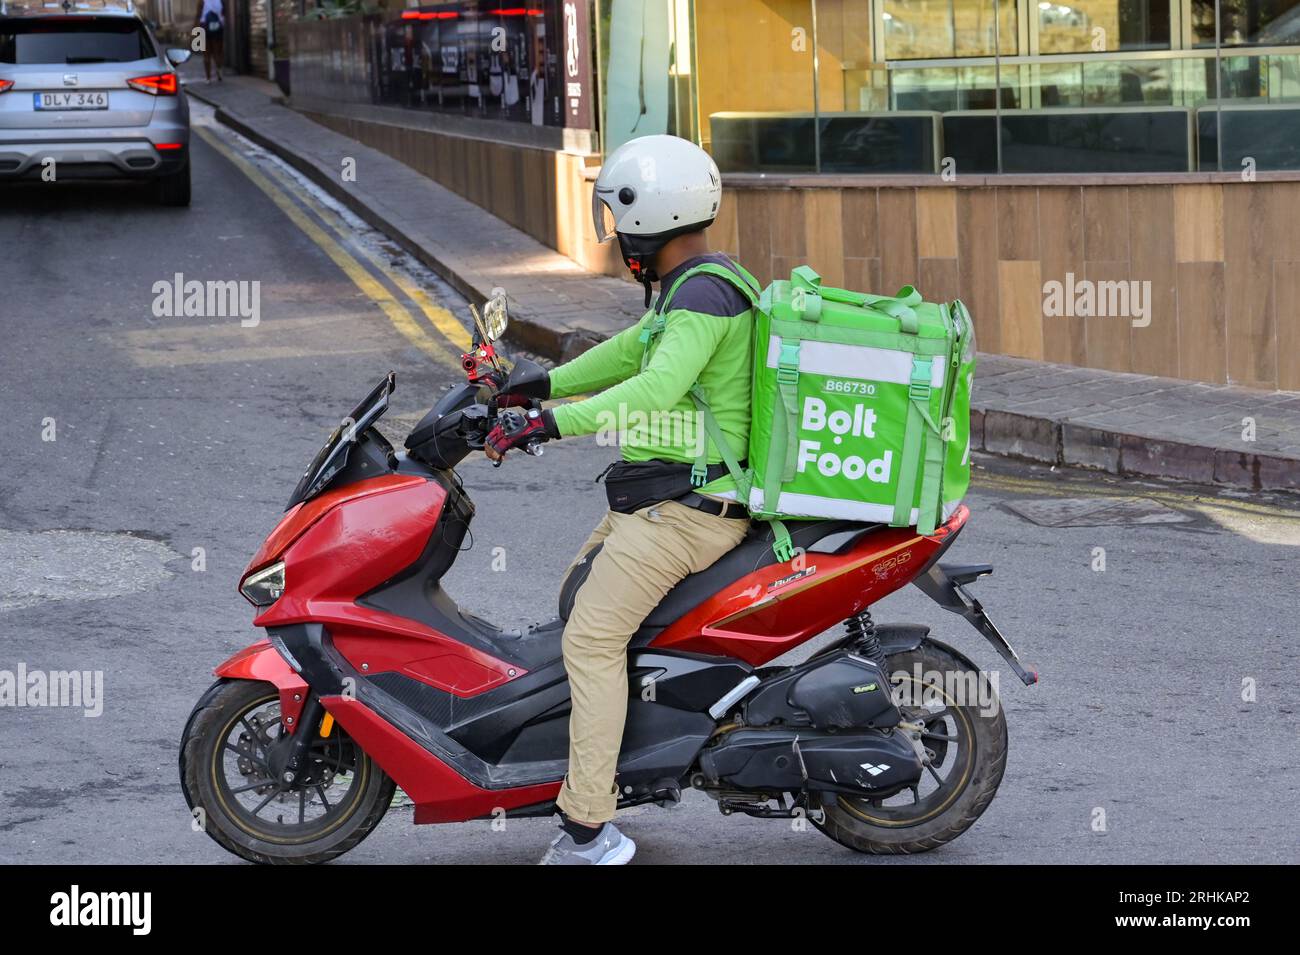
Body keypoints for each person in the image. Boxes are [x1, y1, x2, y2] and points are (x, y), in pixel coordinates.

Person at [483, 135, 756, 865]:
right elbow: (630, 351)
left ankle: (588, 830)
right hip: (666, 500)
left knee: (591, 639)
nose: (616, 231)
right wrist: (535, 384)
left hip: (692, 515)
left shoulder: (703, 295)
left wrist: (547, 423)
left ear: (649, 215)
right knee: (579, 612)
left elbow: (654, 388)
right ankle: (620, 754)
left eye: (619, 213)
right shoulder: (695, 283)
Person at [194, 0, 225, 84]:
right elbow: (223, 13)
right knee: (217, 52)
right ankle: (219, 73)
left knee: (206, 54)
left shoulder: (201, 1)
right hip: (218, 28)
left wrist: (195, 31)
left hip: (204, 27)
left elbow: (198, 15)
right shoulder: (220, 1)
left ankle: (208, 78)